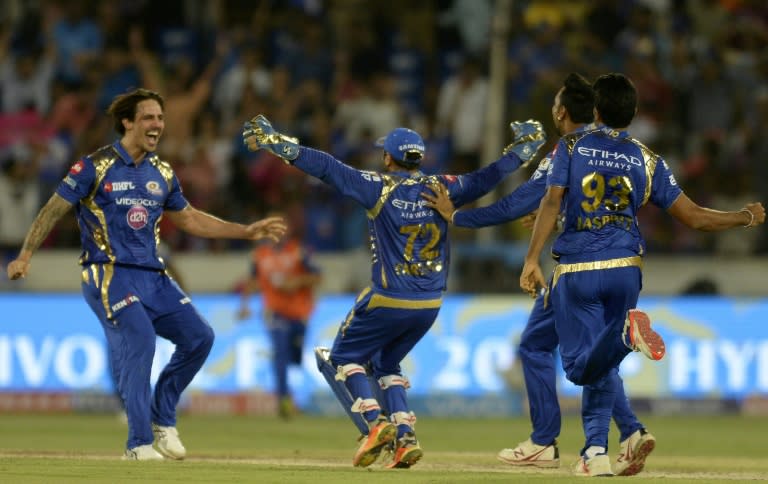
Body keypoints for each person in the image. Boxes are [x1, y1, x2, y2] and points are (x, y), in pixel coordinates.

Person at [242, 114, 546, 468]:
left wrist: (277, 143)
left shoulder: (378, 187)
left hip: (389, 296)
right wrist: (522, 151)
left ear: (388, 158)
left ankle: (374, 425)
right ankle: (405, 437)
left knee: (342, 357)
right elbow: (488, 177)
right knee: (386, 362)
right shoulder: (444, 187)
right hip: (431, 302)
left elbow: (325, 167)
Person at [5, 88, 287, 461]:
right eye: (149, 118)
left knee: (200, 337)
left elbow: (189, 219)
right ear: (128, 122)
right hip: (107, 273)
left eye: (160, 118)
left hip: (153, 275)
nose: (158, 125)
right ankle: (138, 444)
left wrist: (245, 231)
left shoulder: (162, 172)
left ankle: (162, 419)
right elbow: (54, 208)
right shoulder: (93, 166)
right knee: (141, 340)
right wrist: (25, 255)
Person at [519, 73, 765, 476]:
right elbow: (695, 218)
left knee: (580, 367)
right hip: (627, 268)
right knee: (603, 366)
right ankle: (595, 453)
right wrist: (744, 217)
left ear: (595, 111)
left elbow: (551, 202)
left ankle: (623, 339)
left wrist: (532, 258)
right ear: (633, 114)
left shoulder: (571, 146)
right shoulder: (648, 159)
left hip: (578, 267)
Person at [423, 72, 655, 476]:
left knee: (549, 348)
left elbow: (516, 204)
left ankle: (549, 442)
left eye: (554, 104)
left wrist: (459, 217)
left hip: (577, 272)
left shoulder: (567, 149)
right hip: (620, 263)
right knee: (555, 344)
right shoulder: (619, 146)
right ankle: (628, 431)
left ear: (562, 112)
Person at [237, 211, 322, 419]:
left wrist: (297, 282)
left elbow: (317, 276)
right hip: (274, 311)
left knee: (295, 356)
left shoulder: (298, 251)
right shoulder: (260, 255)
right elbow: (252, 280)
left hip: (299, 312)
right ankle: (283, 399)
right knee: (280, 354)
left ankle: (293, 395)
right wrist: (245, 304)